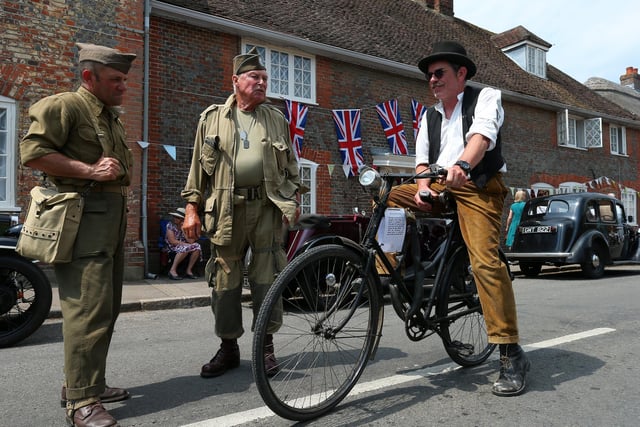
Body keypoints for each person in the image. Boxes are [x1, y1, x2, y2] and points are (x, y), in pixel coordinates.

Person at [387, 41, 531, 396]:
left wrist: (463, 165)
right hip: (439, 186)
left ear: (461, 73)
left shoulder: (484, 97)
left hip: (477, 186)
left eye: (439, 74)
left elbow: (482, 137)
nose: (432, 80)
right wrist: (422, 188)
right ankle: (388, 269)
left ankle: (511, 352)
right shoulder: (429, 115)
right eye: (429, 76)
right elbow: (421, 162)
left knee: (485, 262)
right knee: (390, 197)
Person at [20, 42, 136, 426]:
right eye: (115, 79)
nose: (123, 87)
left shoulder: (109, 115)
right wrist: (87, 171)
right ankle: (82, 404)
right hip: (83, 223)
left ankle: (87, 384)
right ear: (89, 77)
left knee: (106, 308)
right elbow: (33, 153)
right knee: (87, 312)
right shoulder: (64, 106)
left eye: (124, 79)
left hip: (109, 222)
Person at [180, 47, 302, 378]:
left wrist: (293, 199)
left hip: (265, 209)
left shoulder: (277, 120)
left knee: (267, 280)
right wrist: (191, 209)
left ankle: (266, 348)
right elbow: (197, 171)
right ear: (236, 80)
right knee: (225, 282)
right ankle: (228, 348)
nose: (262, 83)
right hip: (223, 210)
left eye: (265, 78)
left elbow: (292, 168)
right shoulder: (212, 118)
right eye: (254, 77)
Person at [165, 207, 202, 280]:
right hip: (172, 246)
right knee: (186, 248)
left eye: (178, 217)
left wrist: (184, 230)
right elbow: (172, 241)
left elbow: (191, 241)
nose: (175, 218)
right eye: (174, 217)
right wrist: (186, 245)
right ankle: (172, 270)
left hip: (184, 245)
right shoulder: (170, 225)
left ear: (183, 219)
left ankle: (189, 270)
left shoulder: (187, 227)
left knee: (197, 246)